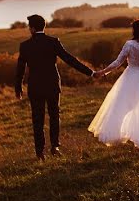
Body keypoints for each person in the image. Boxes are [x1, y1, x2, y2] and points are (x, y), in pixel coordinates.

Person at [15, 14, 93, 160]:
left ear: (32, 28)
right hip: (52, 85)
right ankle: (55, 147)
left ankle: (40, 153)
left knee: (37, 119)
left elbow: (20, 69)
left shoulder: (25, 46)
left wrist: (18, 88)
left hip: (35, 87)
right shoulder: (53, 42)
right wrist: (91, 73)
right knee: (54, 116)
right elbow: (70, 59)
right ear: (43, 26)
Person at [89, 19, 139, 150]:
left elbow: (117, 62)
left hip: (131, 77)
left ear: (135, 30)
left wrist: (102, 72)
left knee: (122, 106)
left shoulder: (129, 44)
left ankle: (119, 134)